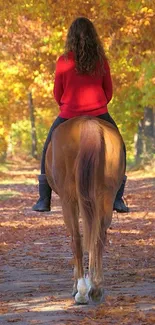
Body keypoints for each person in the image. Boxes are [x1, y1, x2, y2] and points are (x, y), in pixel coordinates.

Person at [32, 17, 129, 213]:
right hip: (99, 113)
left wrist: (68, 106)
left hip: (69, 113)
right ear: (94, 37)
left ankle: (44, 198)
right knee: (120, 147)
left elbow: (57, 93)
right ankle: (118, 198)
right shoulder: (102, 60)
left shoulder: (63, 61)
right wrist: (97, 105)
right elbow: (108, 91)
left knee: (47, 147)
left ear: (71, 38)